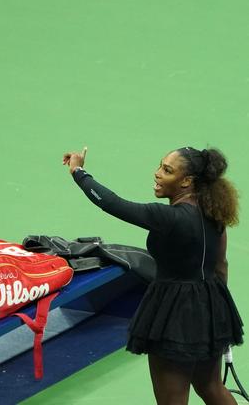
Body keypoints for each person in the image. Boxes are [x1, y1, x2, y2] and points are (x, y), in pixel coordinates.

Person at [63, 146, 243, 404]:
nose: (157, 174)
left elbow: (111, 203)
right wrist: (217, 318)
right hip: (211, 306)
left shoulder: (168, 217)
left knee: (172, 400)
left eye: (167, 170)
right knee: (212, 387)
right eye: (160, 166)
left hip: (174, 313)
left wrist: (78, 172)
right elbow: (221, 265)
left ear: (186, 181)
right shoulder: (214, 213)